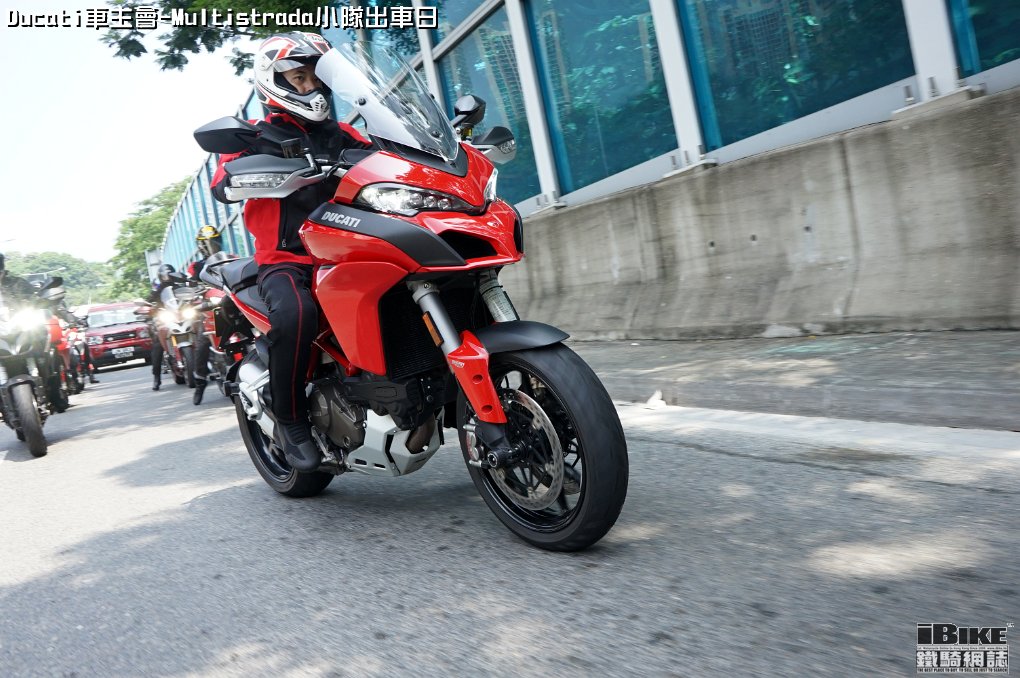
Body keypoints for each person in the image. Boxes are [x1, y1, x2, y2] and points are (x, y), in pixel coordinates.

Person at [210, 32, 372, 472]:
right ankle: (291, 419)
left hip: (352, 247)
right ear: (274, 80)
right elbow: (222, 182)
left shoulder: (342, 133)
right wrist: (248, 175)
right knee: (296, 313)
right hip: (288, 258)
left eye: (316, 78)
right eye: (299, 78)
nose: (311, 87)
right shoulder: (253, 137)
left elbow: (389, 156)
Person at [189, 225, 224, 405]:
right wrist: (193, 292)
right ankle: (200, 382)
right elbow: (190, 285)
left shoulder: (230, 258)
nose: (213, 245)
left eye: (215, 241)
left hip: (229, 301)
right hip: (208, 307)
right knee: (202, 341)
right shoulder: (196, 267)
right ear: (201, 246)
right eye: (209, 243)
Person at [147, 263, 177, 391]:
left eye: (169, 274)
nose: (167, 277)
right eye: (164, 275)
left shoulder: (180, 285)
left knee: (202, 334)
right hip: (166, 319)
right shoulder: (157, 290)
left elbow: (192, 293)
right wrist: (149, 307)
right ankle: (156, 377)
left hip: (181, 316)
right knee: (157, 346)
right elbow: (149, 300)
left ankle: (209, 366)